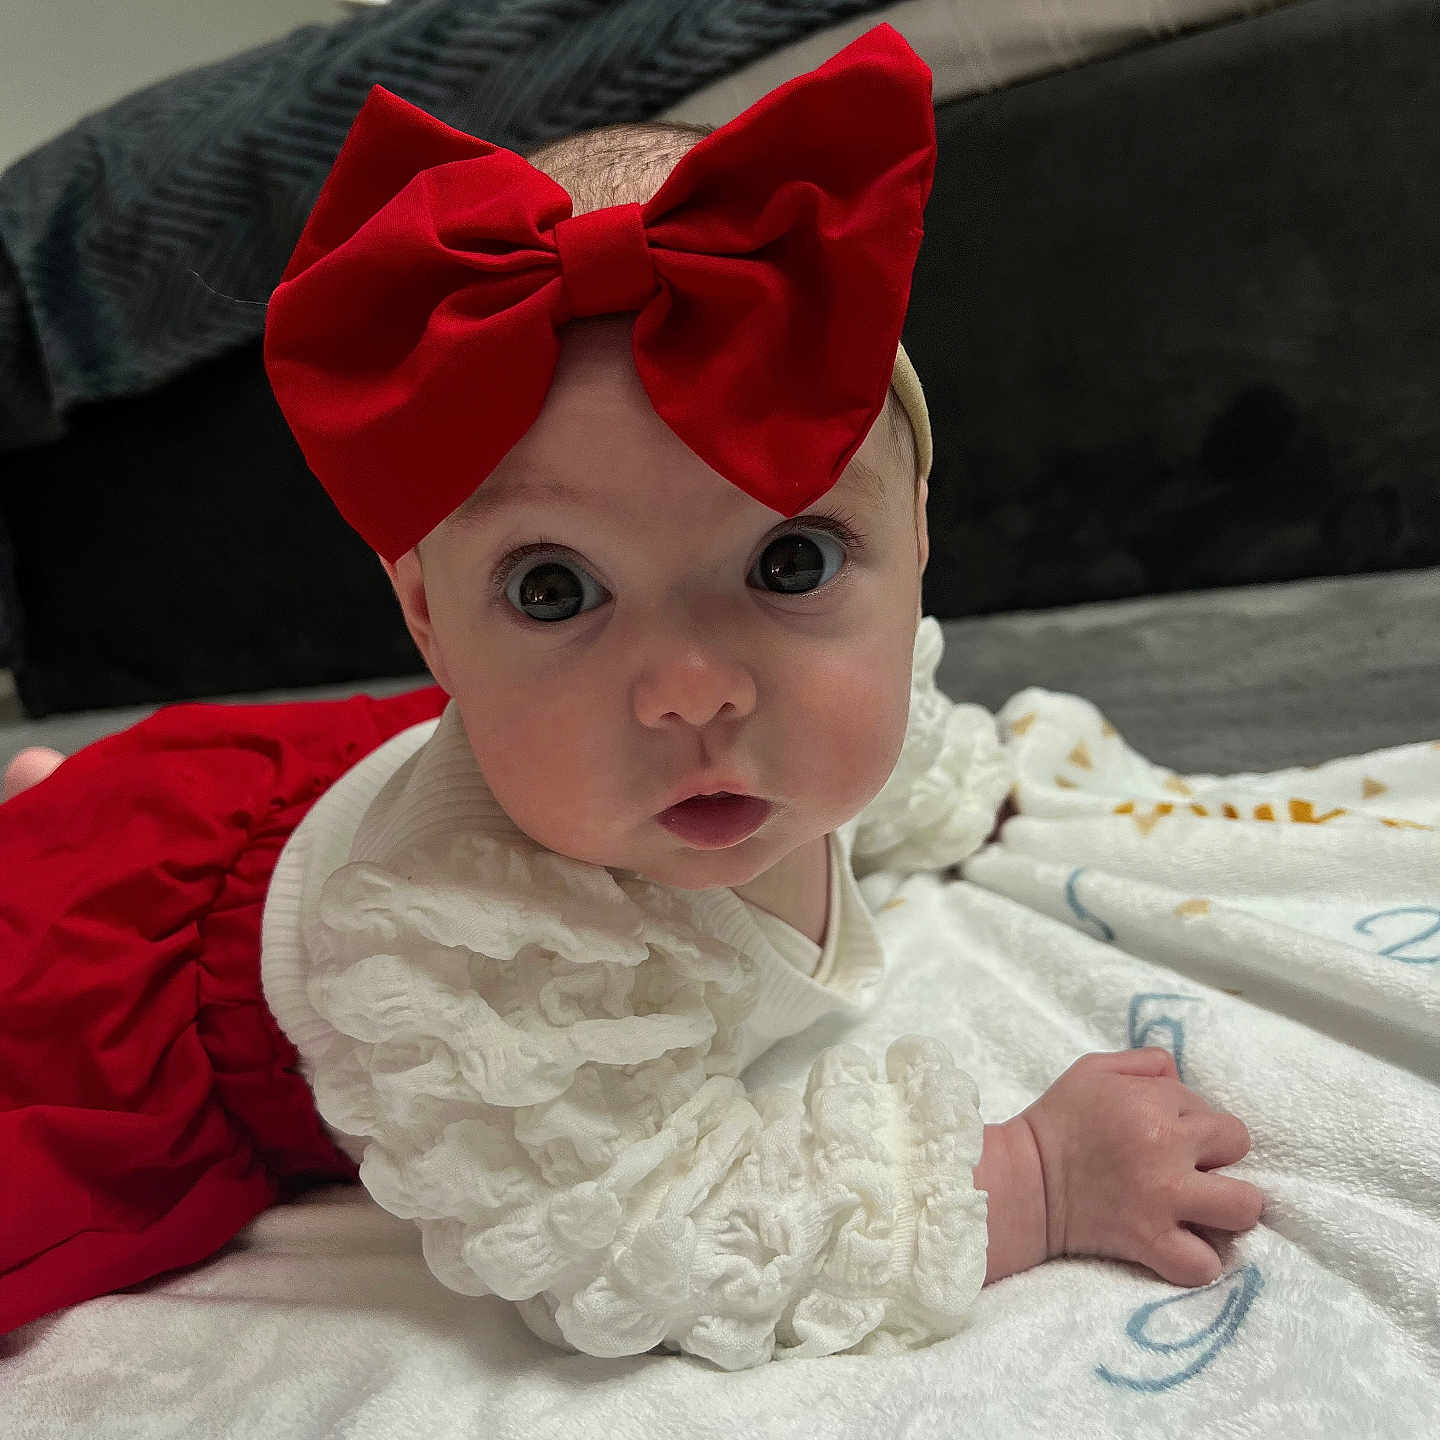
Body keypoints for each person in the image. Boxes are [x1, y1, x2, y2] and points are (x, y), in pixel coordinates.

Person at [0, 25, 1262, 1365]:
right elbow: (653, 1235)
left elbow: (904, 761)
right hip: (147, 992)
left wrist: (975, 794)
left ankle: (70, 802)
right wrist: (1029, 1179)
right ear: (425, 614)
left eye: (789, 559)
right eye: (556, 589)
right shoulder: (481, 949)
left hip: (307, 791)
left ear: (918, 546)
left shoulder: (771, 731)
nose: (691, 690)